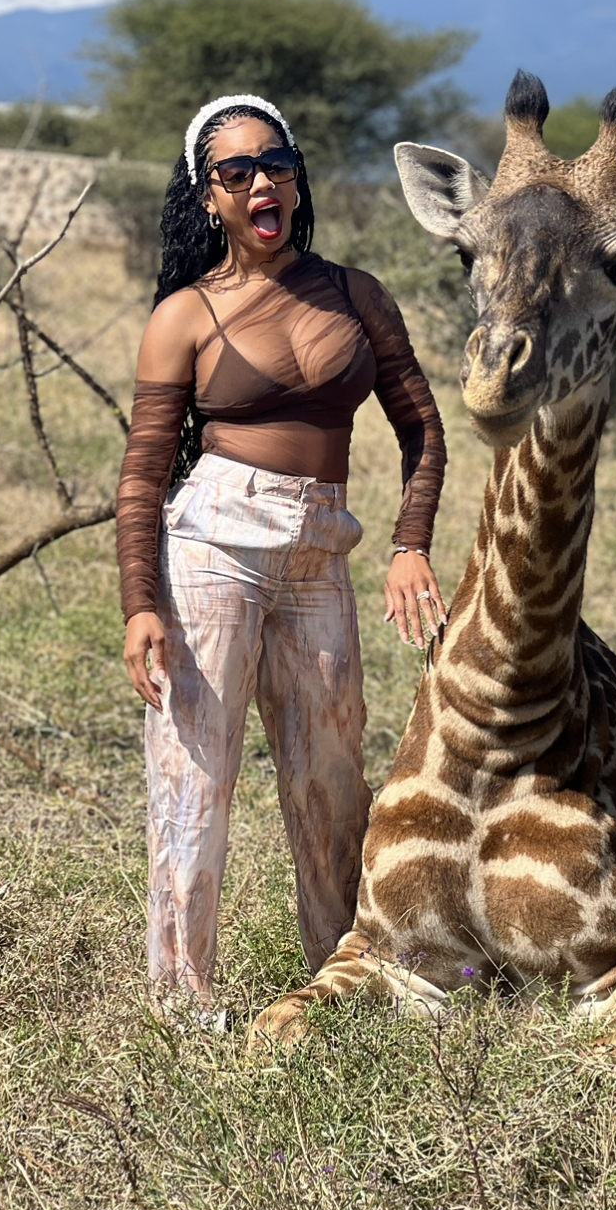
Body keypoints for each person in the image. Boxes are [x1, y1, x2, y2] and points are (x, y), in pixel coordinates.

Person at [116, 93, 447, 1026]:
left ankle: (347, 982)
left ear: (296, 176)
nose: (262, 181)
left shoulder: (355, 294)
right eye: (237, 172)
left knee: (332, 779)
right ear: (208, 198)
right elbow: (143, 478)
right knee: (195, 780)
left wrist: (408, 545)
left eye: (276, 162)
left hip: (320, 557)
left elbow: (421, 430)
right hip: (210, 548)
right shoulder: (183, 316)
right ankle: (181, 1013)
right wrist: (143, 603)